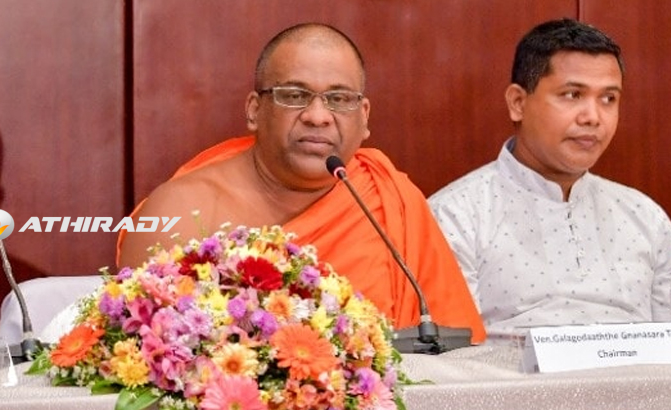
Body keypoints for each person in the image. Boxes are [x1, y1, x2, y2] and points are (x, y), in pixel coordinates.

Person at [119, 23, 485, 343]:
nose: (318, 116)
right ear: (254, 110)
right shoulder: (182, 212)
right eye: (294, 95)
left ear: (364, 117)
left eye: (339, 99)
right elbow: (148, 361)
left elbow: (452, 355)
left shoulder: (390, 202)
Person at [429, 18, 671, 342]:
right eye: (572, 94)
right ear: (518, 103)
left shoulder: (646, 218)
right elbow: (451, 358)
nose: (593, 117)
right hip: (505, 376)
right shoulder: (454, 216)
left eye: (608, 99)